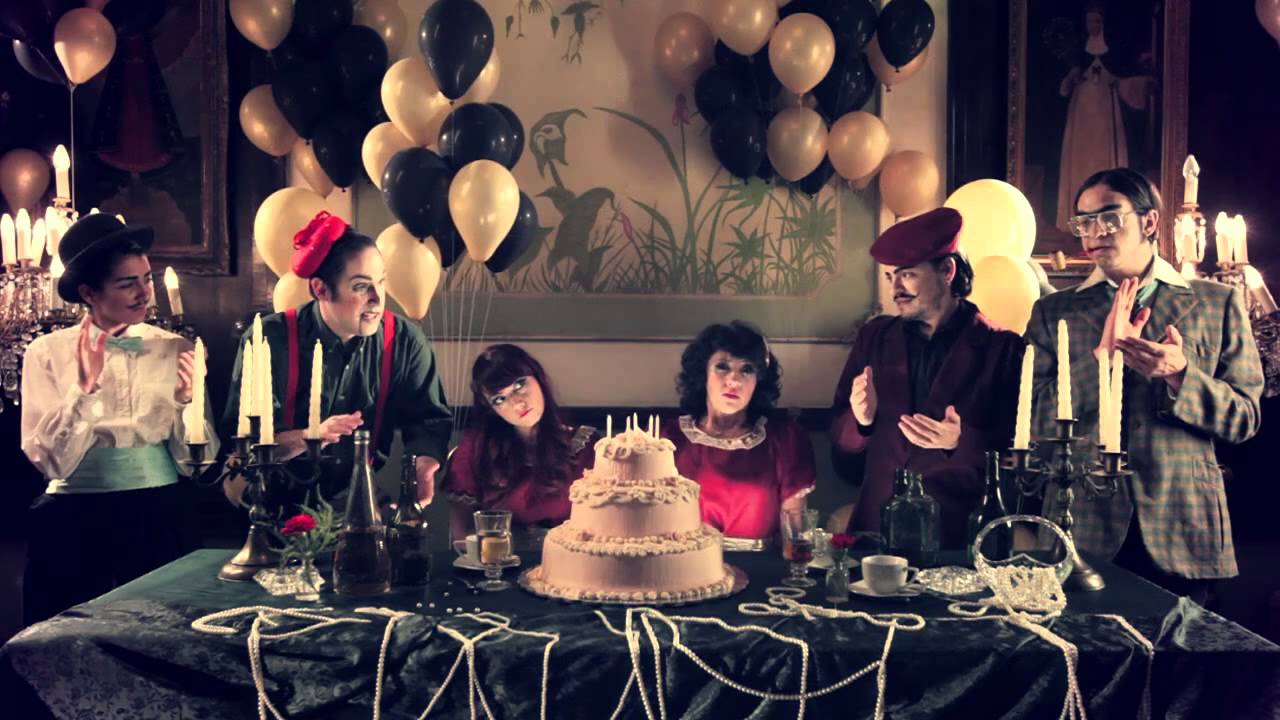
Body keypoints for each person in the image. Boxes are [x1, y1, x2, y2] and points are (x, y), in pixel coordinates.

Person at [1027, 168, 1262, 602]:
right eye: (1084, 222)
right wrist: (1101, 359)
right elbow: (1035, 419)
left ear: (1149, 221)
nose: (1094, 233)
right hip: (1082, 527)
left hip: (1185, 526)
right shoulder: (1053, 311)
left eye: (1109, 218)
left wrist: (1180, 376)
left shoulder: (1218, 302)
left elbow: (1245, 419)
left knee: (1181, 648)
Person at [20, 214, 218, 624]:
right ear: (89, 292)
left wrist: (187, 403)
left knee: (163, 633)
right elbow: (50, 463)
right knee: (67, 640)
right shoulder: (45, 352)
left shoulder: (177, 348)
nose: (144, 293)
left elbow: (198, 463)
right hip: (73, 521)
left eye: (147, 279)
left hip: (160, 516)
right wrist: (83, 389)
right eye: (127, 283)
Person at [222, 211, 451, 508]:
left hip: (355, 493)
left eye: (381, 282)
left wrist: (424, 464)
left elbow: (429, 419)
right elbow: (244, 442)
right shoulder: (269, 339)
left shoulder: (405, 340)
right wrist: (308, 436)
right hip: (270, 492)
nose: (377, 298)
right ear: (320, 289)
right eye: (360, 286)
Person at [830, 208, 1025, 548]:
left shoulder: (1003, 347)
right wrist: (862, 422)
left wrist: (959, 443)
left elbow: (1019, 454)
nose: (895, 289)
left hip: (959, 536)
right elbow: (840, 442)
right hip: (876, 531)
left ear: (947, 271)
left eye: (907, 275)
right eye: (891, 277)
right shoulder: (874, 337)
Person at [665, 321, 815, 542]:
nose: (734, 380)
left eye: (747, 369)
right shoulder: (667, 438)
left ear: (758, 381)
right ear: (703, 373)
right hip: (682, 561)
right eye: (723, 366)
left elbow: (794, 535)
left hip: (760, 562)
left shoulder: (785, 439)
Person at [442, 344, 597, 549]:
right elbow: (461, 538)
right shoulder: (476, 450)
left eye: (519, 385)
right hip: (497, 563)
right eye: (500, 399)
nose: (517, 403)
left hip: (571, 561)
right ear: (491, 408)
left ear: (538, 378)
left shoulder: (585, 448)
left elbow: (601, 530)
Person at [1056, 4, 1155, 231]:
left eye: (1097, 21)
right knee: (1080, 155)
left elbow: (1122, 80)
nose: (1093, 26)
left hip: (1106, 111)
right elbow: (1065, 87)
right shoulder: (1078, 52)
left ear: (1103, 24)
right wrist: (1072, 77)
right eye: (1090, 21)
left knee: (1105, 153)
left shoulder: (1114, 53)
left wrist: (1127, 81)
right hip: (1082, 111)